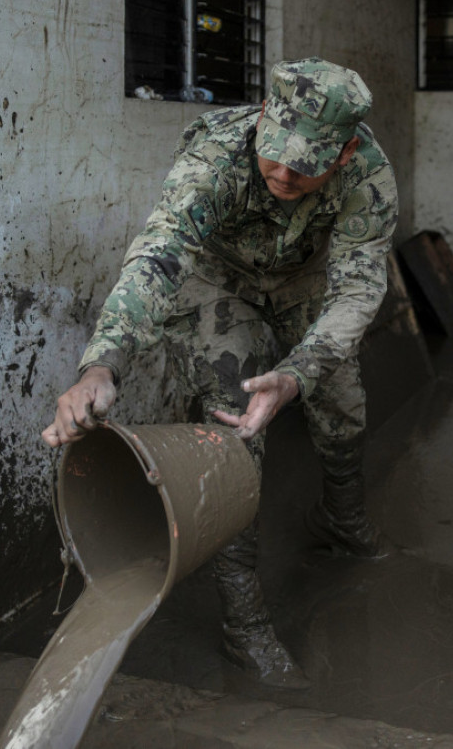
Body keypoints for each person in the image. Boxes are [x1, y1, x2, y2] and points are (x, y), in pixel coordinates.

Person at [41, 57, 398, 688]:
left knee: (341, 403)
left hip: (307, 283)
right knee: (235, 427)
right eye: (276, 152)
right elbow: (161, 255)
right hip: (218, 281)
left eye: (307, 163)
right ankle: (245, 624)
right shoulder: (217, 159)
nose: (283, 174)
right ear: (264, 116)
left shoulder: (369, 177)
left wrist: (298, 374)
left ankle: (342, 517)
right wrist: (104, 363)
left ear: (342, 154)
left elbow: (357, 291)